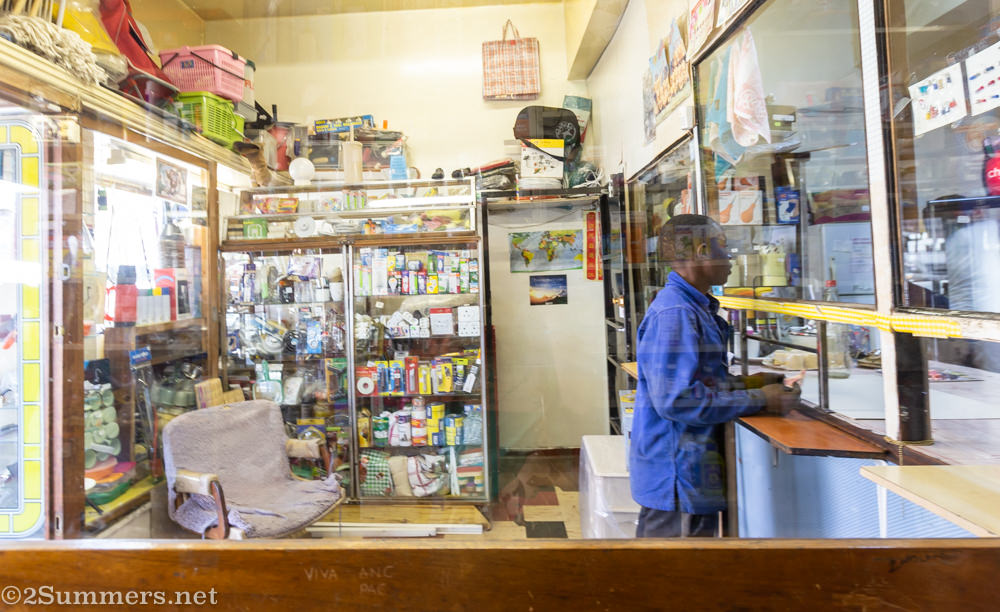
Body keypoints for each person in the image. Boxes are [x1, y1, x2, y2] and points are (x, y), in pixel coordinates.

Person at [630, 214, 800, 538]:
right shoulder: (676, 314)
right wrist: (760, 399)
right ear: (703, 251)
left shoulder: (694, 308)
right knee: (675, 579)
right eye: (725, 247)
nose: (731, 256)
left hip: (690, 473)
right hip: (677, 476)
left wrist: (751, 384)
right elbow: (677, 401)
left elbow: (700, 384)